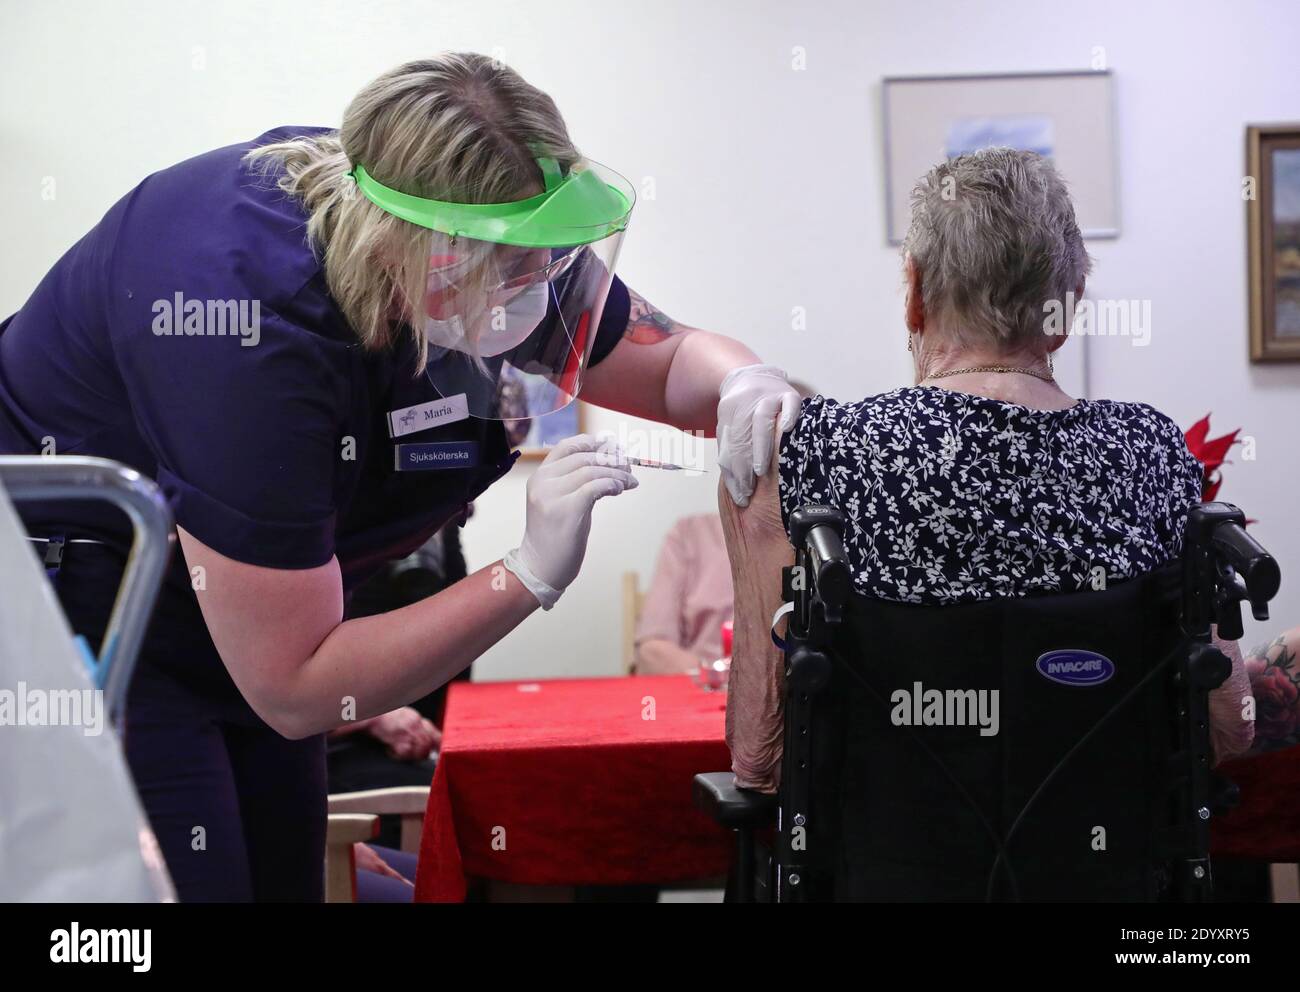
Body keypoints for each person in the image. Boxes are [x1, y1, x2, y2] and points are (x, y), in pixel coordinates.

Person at [0, 54, 800, 901]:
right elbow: (298, 685)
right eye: (515, 269)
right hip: (85, 607)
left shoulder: (497, 249)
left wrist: (745, 379)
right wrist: (523, 576)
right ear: (408, 245)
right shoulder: (242, 323)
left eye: (549, 262)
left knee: (282, 877)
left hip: (253, 616)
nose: (539, 290)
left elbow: (670, 360)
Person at [718, 147, 1254, 795]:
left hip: (889, 874)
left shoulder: (811, 452)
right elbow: (1227, 728)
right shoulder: (1152, 452)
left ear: (914, 295)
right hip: (1102, 868)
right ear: (1068, 308)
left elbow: (761, 760)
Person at [634, 514, 733, 674]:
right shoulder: (689, 535)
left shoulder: (786, 543)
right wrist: (715, 678)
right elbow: (653, 650)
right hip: (703, 686)